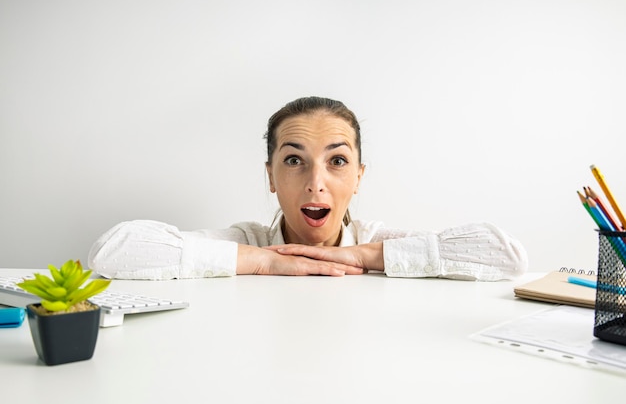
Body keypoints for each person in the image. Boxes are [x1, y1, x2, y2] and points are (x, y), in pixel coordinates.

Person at [88, 96, 528, 281]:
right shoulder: (249, 243)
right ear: (271, 176)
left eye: (337, 161)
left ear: (358, 177)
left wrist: (361, 256)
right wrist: (262, 262)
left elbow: (505, 256)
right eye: (294, 161)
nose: (316, 183)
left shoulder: (374, 241)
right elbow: (113, 251)